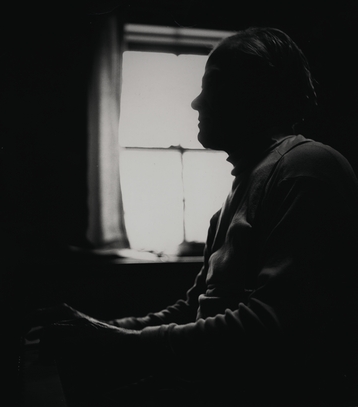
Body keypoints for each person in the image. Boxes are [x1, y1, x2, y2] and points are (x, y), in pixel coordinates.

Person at [31, 27, 358, 406]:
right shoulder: (238, 193)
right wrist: (100, 329)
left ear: (259, 91)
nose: (196, 102)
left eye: (213, 84)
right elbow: (193, 309)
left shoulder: (307, 166)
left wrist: (120, 343)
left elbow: (273, 322)